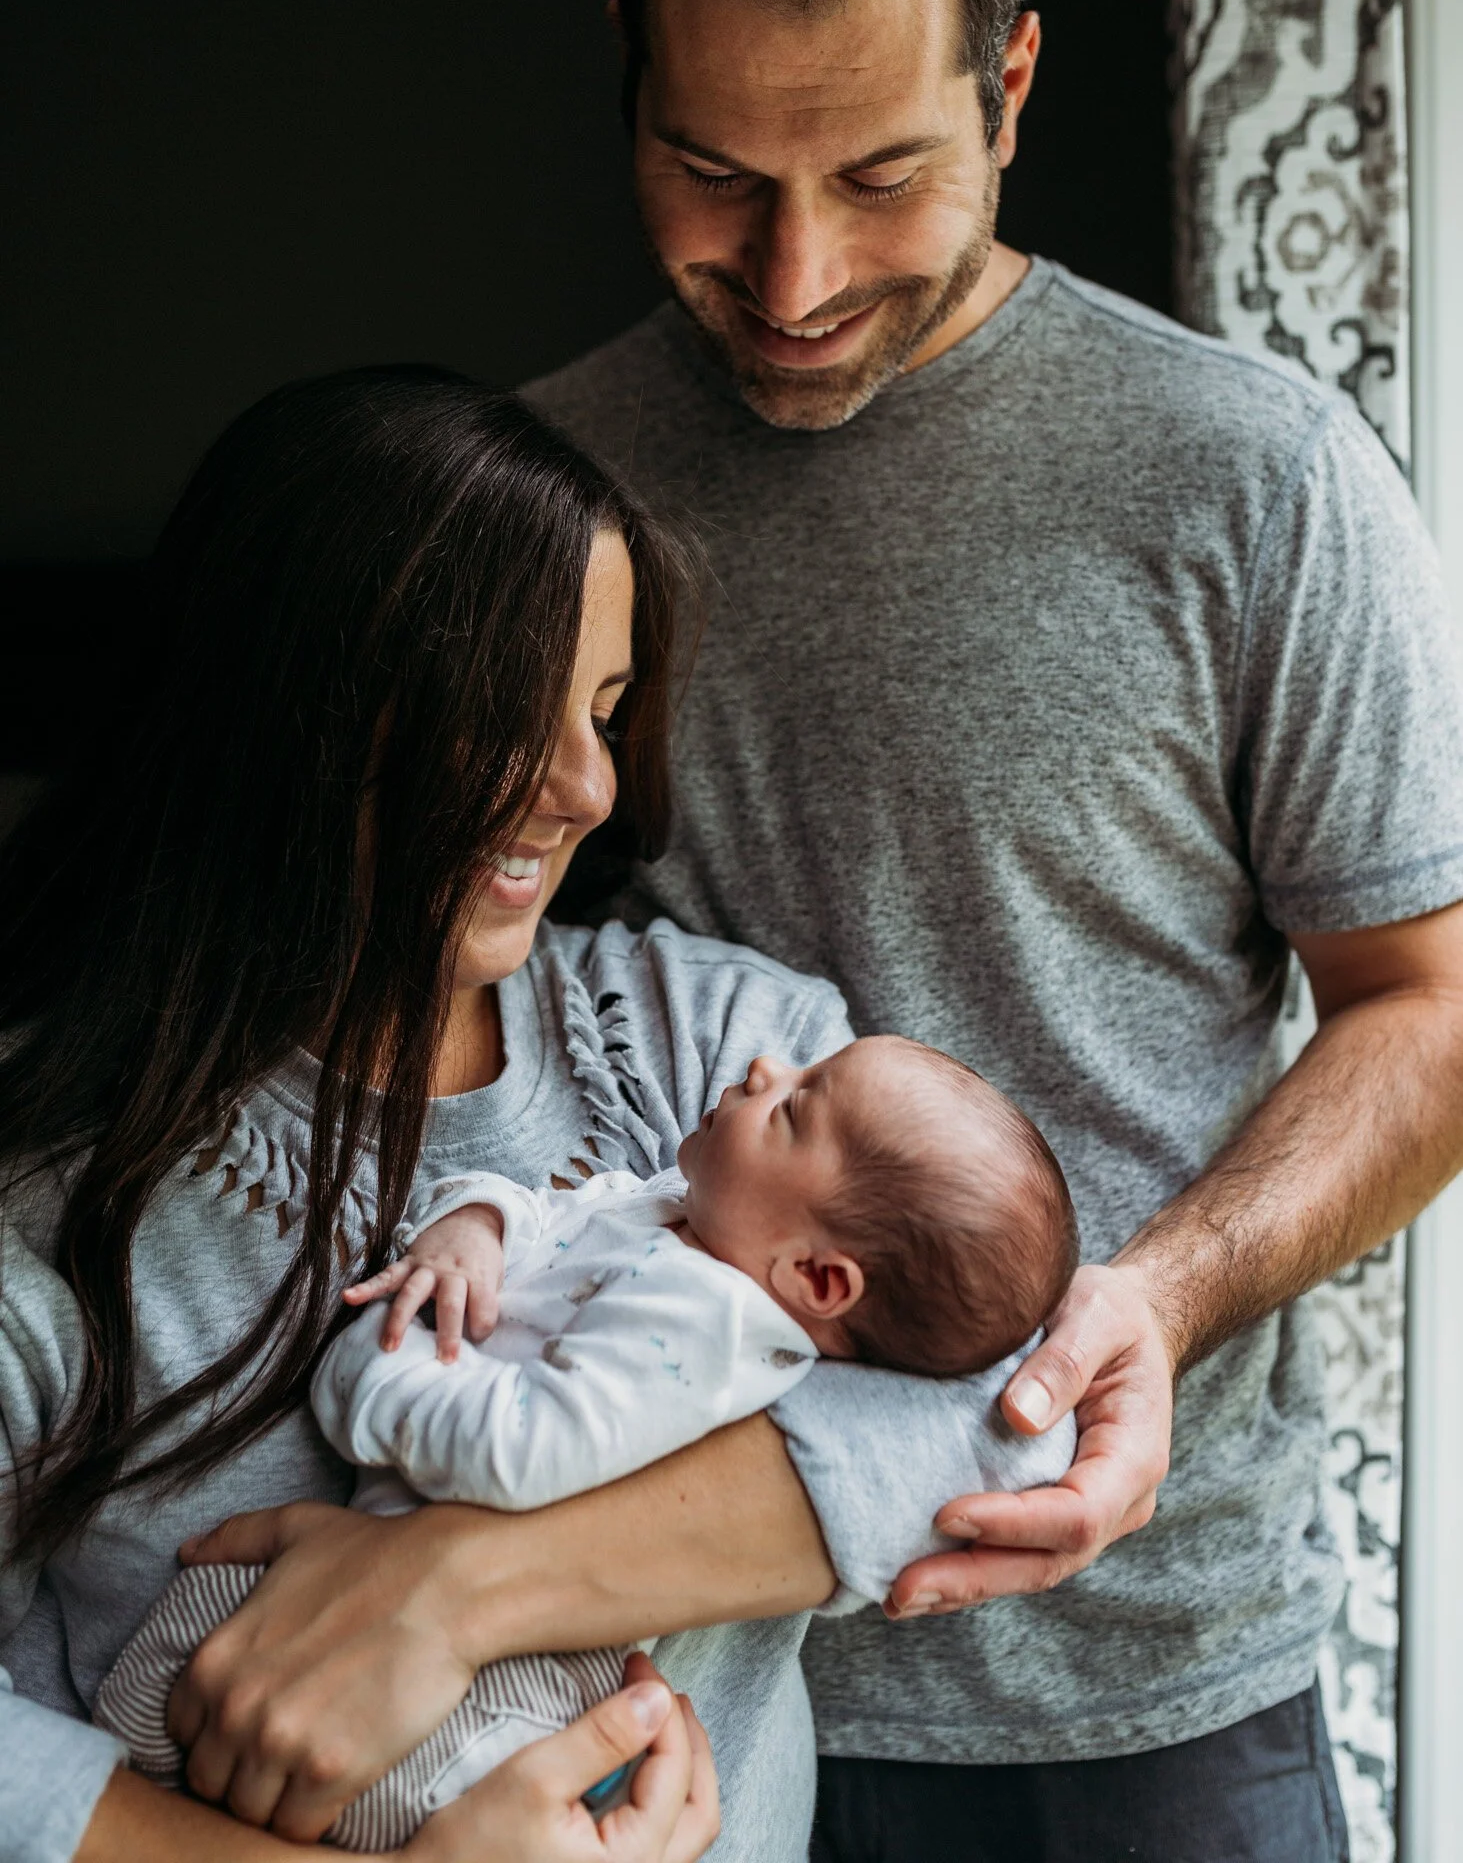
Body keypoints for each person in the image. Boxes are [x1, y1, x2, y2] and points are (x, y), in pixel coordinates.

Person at [516, 0, 1463, 1858]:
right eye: (709, 172)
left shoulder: (1252, 475)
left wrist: (1162, 1290)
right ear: (626, 67)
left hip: (1153, 1676)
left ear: (1007, 89)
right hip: (656, 1684)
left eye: (876, 179)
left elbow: (1428, 1009)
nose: (790, 281)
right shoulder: (533, 497)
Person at [0, 368, 1072, 1863]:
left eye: (608, 708)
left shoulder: (723, 1046)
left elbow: (1003, 1410)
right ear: (289, 715)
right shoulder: (51, 1203)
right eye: (506, 710)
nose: (582, 783)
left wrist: (455, 1589)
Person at [91, 1034, 1078, 1848]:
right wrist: (473, 1225)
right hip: (369, 1605)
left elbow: (520, 1455)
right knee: (172, 1678)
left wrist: (372, 1378)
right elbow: (552, 1222)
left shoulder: (704, 1327)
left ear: (815, 1281)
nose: (760, 1066)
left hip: (517, 1680)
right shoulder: (678, 1214)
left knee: (244, 1714)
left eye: (790, 1108)